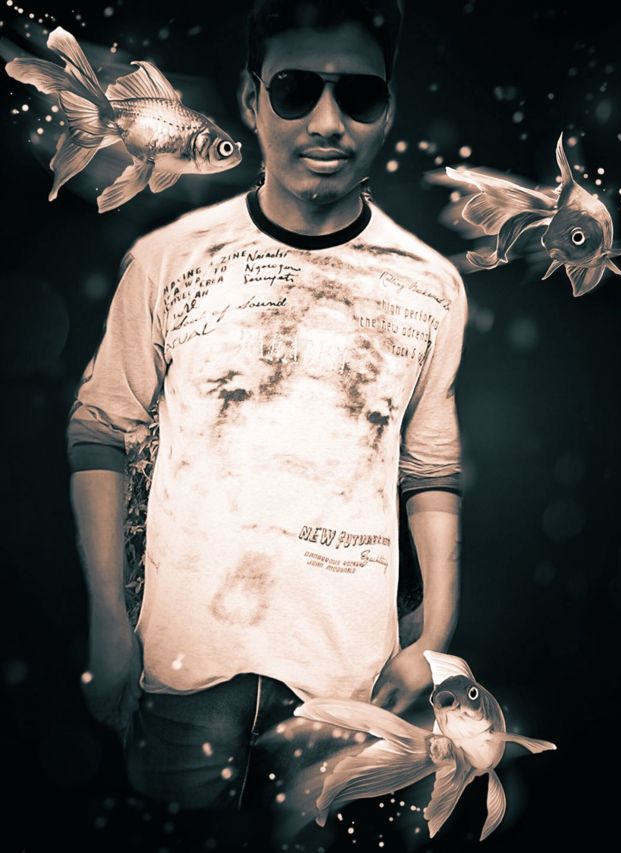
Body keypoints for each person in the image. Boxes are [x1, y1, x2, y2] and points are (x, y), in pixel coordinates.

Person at [65, 0, 467, 842]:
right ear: (252, 99)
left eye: (358, 95)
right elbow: (101, 432)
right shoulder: (167, 259)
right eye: (295, 90)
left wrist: (432, 632)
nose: (327, 122)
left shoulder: (433, 284)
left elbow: (430, 470)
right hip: (182, 671)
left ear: (388, 109)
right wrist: (106, 618)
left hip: (346, 688)